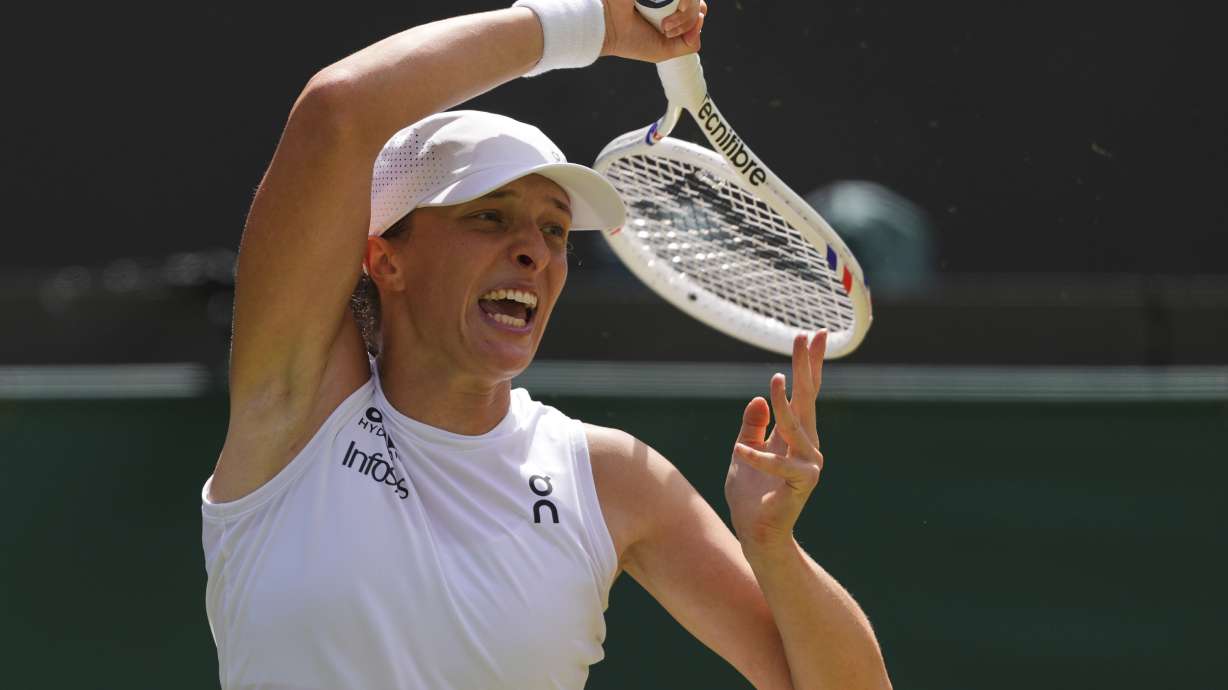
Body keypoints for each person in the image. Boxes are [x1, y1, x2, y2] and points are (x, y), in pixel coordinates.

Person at [200, 1, 892, 688]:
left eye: (555, 230)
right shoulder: (296, 413)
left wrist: (773, 550)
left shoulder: (612, 478)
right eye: (489, 216)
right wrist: (592, 26)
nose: (534, 251)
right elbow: (338, 111)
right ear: (386, 259)